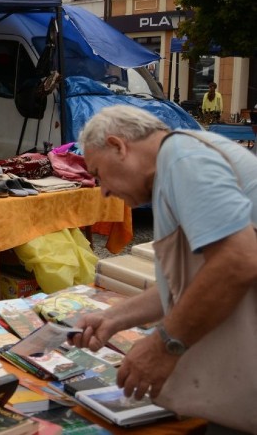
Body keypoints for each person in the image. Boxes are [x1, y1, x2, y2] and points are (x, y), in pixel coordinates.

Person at [74, 105, 257, 433]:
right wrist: (114, 317)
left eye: (98, 173)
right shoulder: (177, 160)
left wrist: (164, 344)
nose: (102, 190)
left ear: (118, 146)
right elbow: (187, 281)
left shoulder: (183, 160)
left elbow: (238, 261)